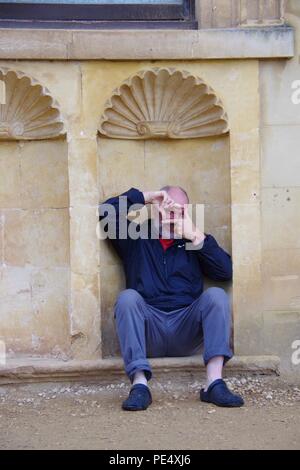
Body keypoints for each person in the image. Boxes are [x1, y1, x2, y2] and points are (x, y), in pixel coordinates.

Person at [99, 186, 244, 411]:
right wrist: (147, 197)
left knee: (216, 296)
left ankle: (214, 383)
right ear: (156, 208)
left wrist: (195, 235)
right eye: (168, 207)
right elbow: (106, 212)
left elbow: (225, 272)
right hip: (149, 329)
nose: (172, 215)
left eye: (180, 210)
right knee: (127, 298)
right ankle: (139, 386)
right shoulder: (136, 237)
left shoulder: (195, 240)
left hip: (186, 328)